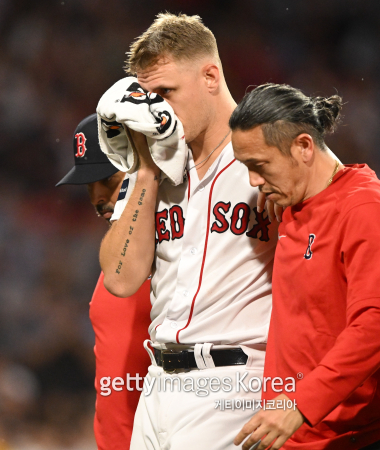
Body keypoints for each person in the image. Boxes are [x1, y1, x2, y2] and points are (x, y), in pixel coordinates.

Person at [98, 13, 278, 450]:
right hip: (157, 383)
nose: (157, 109)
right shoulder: (157, 170)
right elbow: (121, 279)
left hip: (235, 380)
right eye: (149, 96)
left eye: (166, 93)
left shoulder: (270, 153)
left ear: (211, 76)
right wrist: (144, 170)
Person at [229, 83, 380, 450]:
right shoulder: (292, 203)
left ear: (304, 147)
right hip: (303, 436)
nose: (253, 182)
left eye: (259, 166)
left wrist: (301, 402)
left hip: (374, 435)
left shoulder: (366, 207)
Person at [56, 113, 152, 450]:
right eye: (88, 183)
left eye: (108, 179)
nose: (97, 197)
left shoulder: (183, 252)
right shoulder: (115, 259)